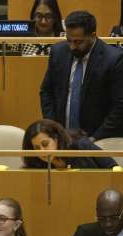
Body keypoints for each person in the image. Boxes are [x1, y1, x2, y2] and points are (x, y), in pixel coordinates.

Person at [40, 10, 123, 140]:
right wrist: (54, 128)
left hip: (99, 140)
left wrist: (96, 138)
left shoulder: (113, 60)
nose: (72, 46)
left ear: (93, 35)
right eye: (69, 40)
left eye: (78, 42)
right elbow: (46, 91)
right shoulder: (58, 52)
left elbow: (120, 105)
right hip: (63, 138)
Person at [22, 119, 118, 169]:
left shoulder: (81, 145)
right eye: (37, 148)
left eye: (45, 144)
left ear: (56, 139)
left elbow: (112, 167)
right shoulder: (36, 163)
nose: (42, 151)